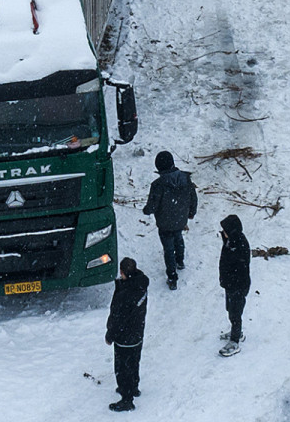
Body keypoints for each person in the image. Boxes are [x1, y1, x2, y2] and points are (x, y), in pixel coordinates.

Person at [142, 150, 197, 289]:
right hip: (180, 219)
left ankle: (172, 277)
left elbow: (153, 205)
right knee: (178, 237)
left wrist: (146, 210)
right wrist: (191, 212)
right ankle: (180, 260)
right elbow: (193, 198)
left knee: (168, 248)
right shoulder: (186, 179)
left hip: (165, 222)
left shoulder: (158, 185)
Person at [103, 257, 149, 411]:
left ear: (123, 272)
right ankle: (134, 387)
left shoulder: (125, 293)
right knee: (134, 361)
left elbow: (118, 318)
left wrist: (110, 335)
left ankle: (126, 398)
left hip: (124, 337)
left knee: (123, 368)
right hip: (137, 333)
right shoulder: (141, 286)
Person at [218, 214, 251, 356]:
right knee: (229, 309)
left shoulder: (239, 244)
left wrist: (232, 283)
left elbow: (240, 268)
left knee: (235, 313)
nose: (223, 232)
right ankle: (235, 331)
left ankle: (235, 340)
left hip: (237, 285)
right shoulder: (230, 241)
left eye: (225, 230)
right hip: (230, 285)